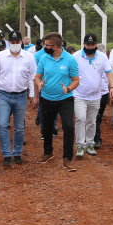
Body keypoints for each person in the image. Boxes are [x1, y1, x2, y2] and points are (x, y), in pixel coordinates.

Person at [33, 32, 79, 172]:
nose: (44, 47)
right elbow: (37, 76)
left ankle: (67, 158)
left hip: (65, 99)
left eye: (46, 45)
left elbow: (76, 80)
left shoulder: (70, 59)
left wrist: (69, 88)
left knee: (68, 127)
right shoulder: (44, 58)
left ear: (55, 46)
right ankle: (48, 152)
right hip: (47, 98)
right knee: (46, 127)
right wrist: (39, 84)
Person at [0, 30, 37, 166]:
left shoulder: (28, 57)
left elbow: (32, 77)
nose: (14, 44)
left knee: (19, 127)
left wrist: (33, 95)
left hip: (21, 95)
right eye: (12, 42)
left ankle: (17, 153)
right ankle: (6, 154)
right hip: (3, 95)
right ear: (8, 42)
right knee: (2, 125)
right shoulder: (0, 57)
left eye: (17, 42)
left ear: (21, 42)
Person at [73, 34, 113, 158]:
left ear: (96, 45)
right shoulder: (76, 56)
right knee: (80, 118)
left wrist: (112, 87)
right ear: (83, 44)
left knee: (92, 121)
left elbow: (109, 73)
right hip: (79, 95)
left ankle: (90, 143)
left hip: (96, 96)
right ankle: (80, 145)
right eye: (88, 44)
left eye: (92, 44)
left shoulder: (102, 57)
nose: (90, 46)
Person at [92, 42, 109, 149]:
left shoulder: (107, 63)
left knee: (99, 116)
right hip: (93, 94)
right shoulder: (90, 64)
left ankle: (94, 136)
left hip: (103, 93)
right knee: (95, 116)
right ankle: (96, 138)